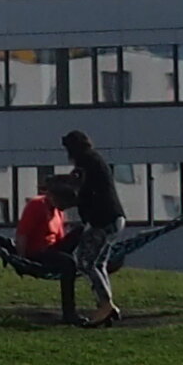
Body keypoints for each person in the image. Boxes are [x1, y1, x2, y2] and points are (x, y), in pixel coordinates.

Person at [56, 127, 127, 322]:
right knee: (99, 263)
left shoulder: (85, 161)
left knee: (85, 262)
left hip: (102, 220)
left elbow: (79, 189)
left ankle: (105, 305)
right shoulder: (93, 160)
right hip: (115, 218)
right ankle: (106, 305)